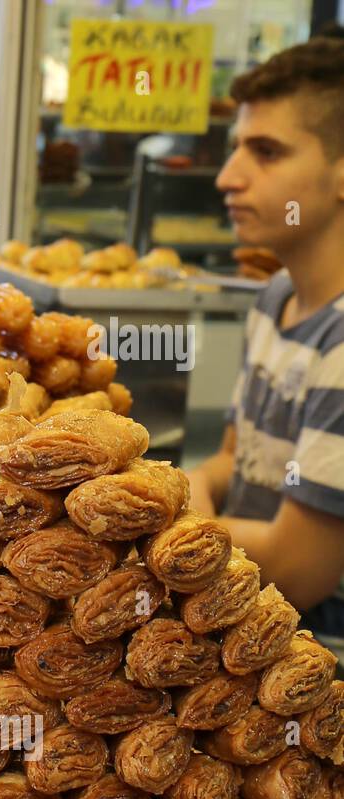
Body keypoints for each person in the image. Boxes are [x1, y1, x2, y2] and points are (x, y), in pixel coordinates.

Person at [186, 36, 344, 638]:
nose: (229, 177)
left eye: (267, 152)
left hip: (313, 650)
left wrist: (180, 525)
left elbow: (301, 567)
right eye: (234, 150)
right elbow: (235, 459)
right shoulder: (275, 296)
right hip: (239, 615)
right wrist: (197, 484)